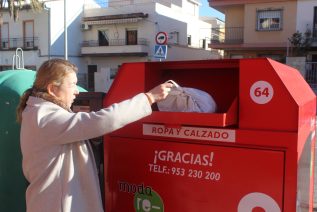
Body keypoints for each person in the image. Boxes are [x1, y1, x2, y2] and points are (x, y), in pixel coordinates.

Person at [16, 58, 173, 212]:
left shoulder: (40, 113)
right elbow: (99, 121)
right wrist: (149, 98)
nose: (77, 91)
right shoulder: (45, 117)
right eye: (72, 85)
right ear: (52, 89)